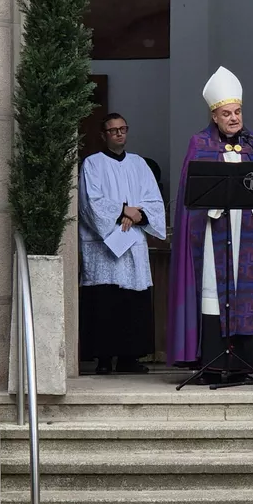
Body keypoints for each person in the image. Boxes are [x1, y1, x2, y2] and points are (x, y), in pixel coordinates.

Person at [168, 66, 253, 380]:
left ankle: (247, 363)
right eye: (227, 114)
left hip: (250, 232)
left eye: (238, 112)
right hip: (213, 236)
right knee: (214, 294)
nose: (234, 118)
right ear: (214, 116)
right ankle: (214, 363)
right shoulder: (200, 145)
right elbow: (189, 196)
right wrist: (207, 211)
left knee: (249, 301)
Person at [79, 113, 167, 375]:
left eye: (122, 129)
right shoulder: (92, 164)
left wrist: (138, 215)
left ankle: (130, 357)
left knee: (132, 300)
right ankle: (104, 358)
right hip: (104, 244)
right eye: (113, 130)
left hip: (133, 240)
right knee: (105, 300)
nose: (118, 134)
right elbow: (90, 202)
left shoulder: (140, 164)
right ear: (103, 135)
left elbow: (153, 199)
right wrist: (122, 211)